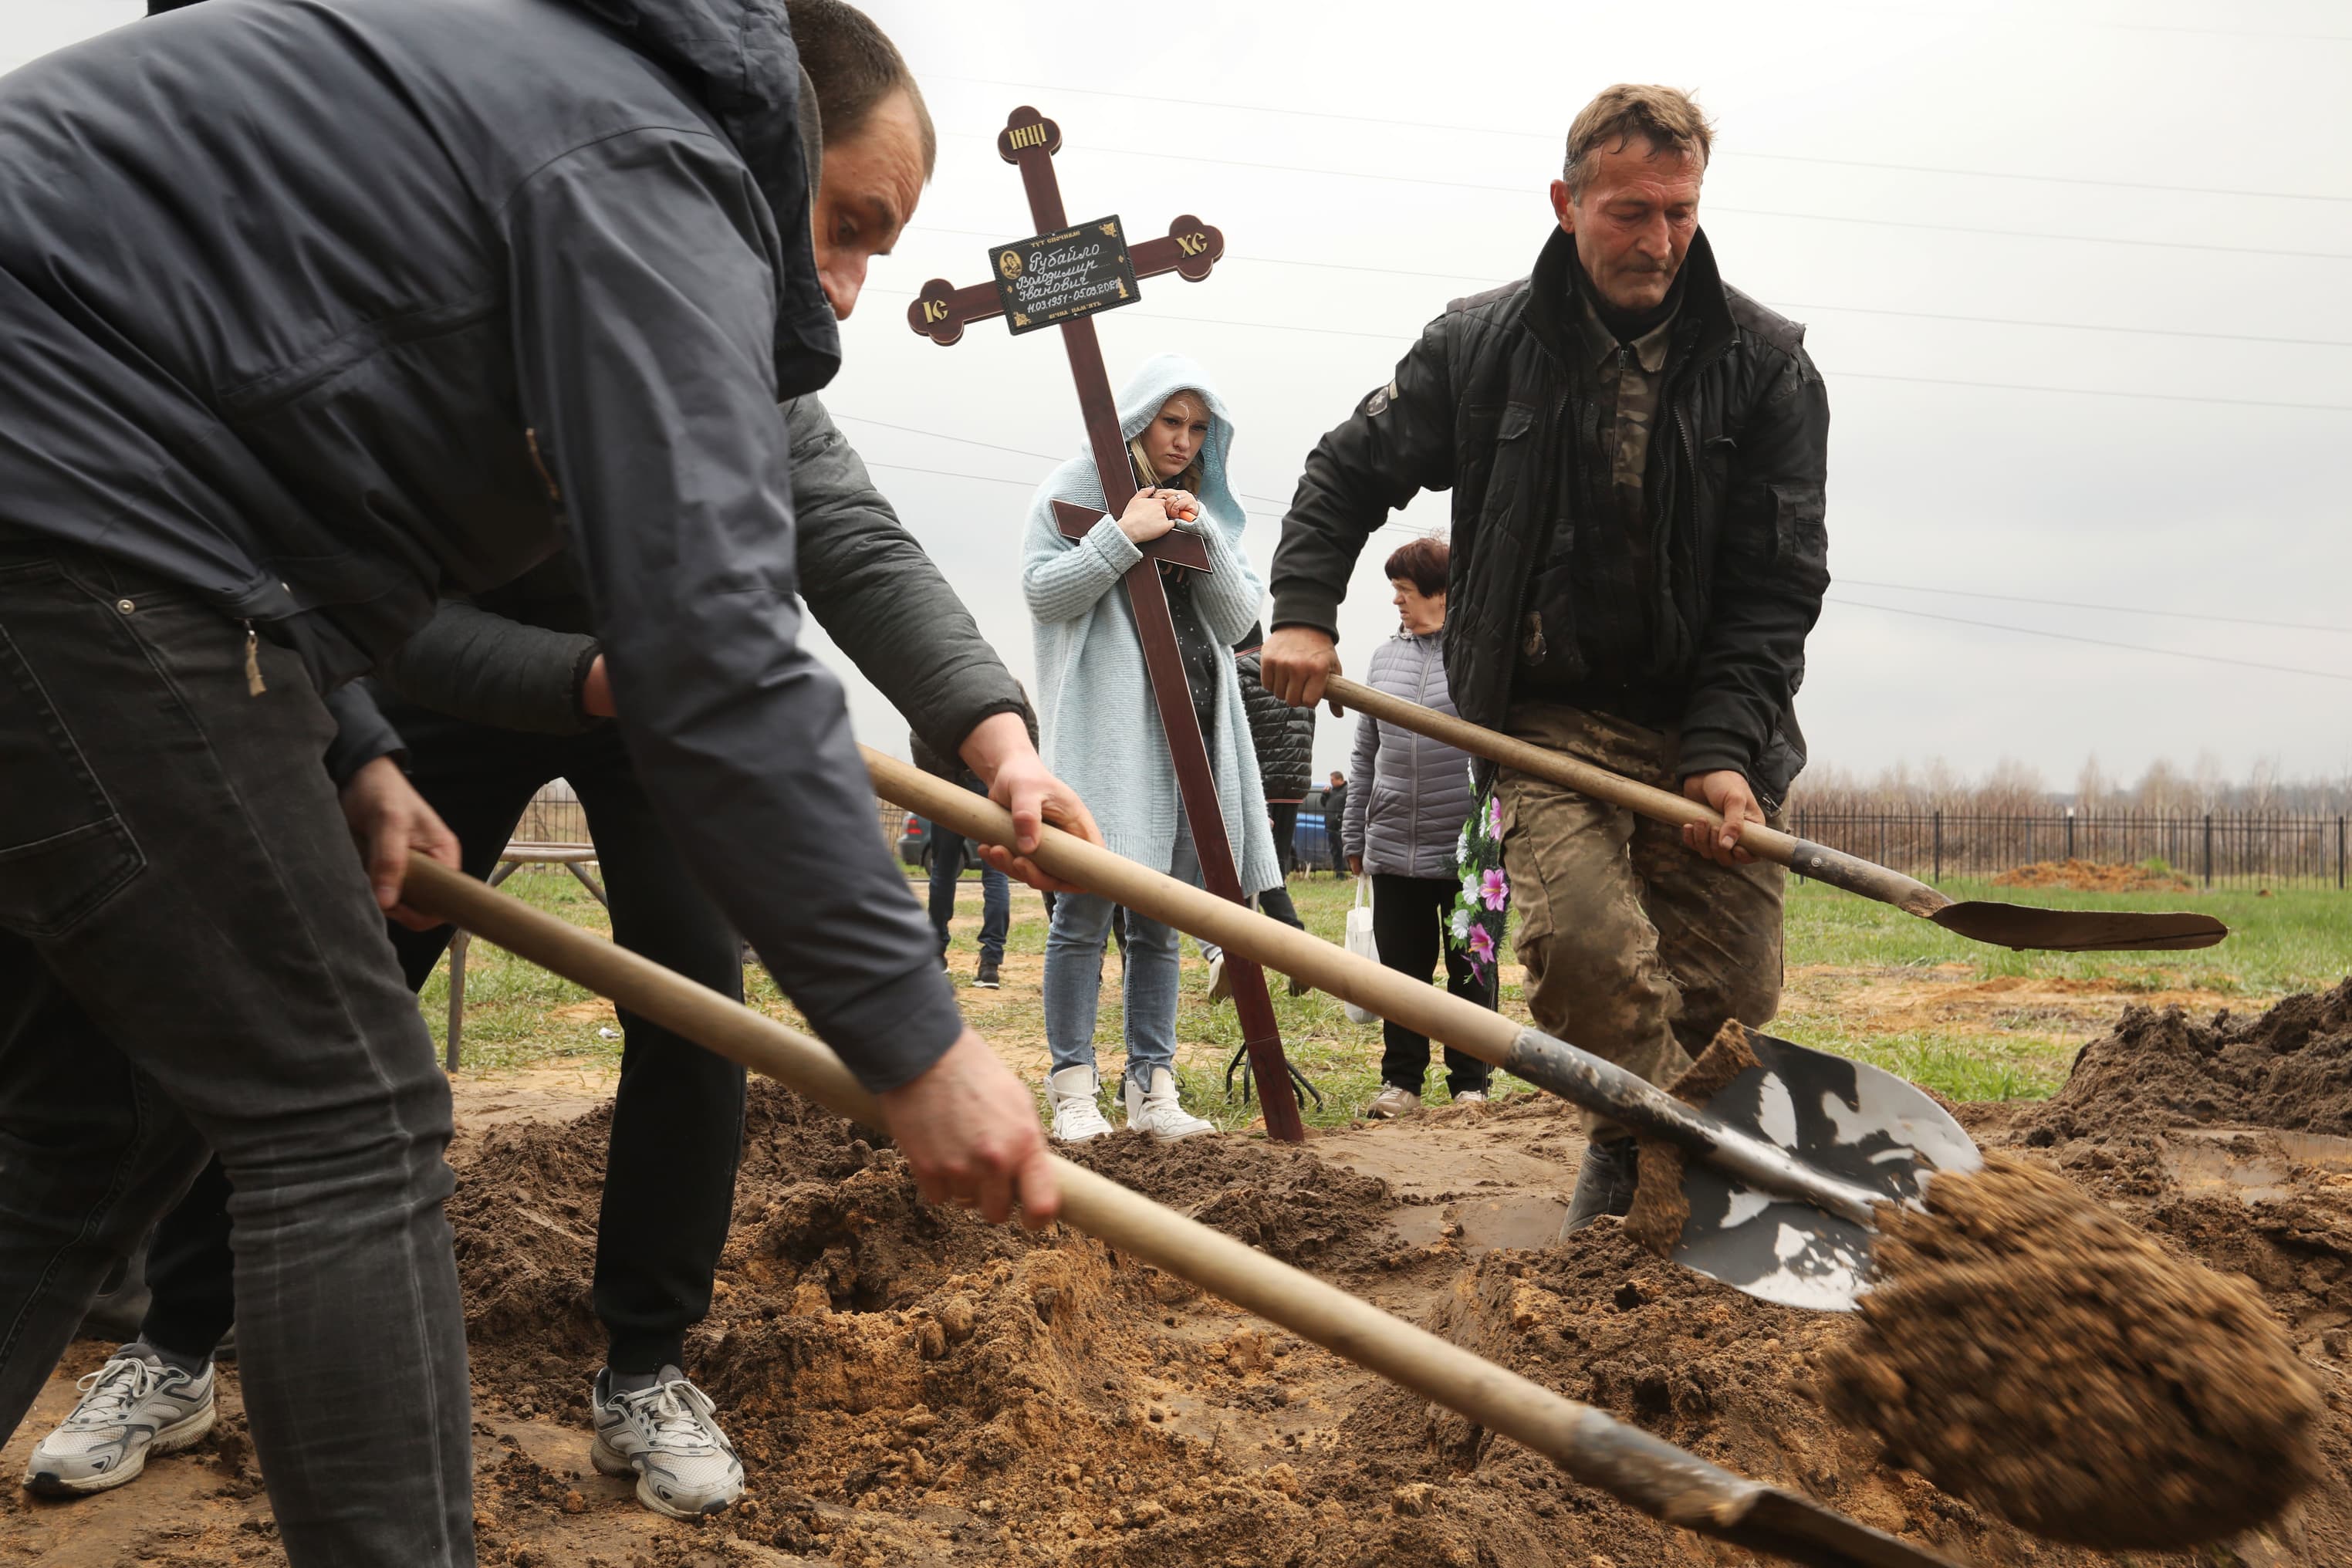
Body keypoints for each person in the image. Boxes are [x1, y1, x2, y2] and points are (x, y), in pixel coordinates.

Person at [0, 2, 1075, 1560]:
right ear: (777, 137)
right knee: (351, 1113)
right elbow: (718, 636)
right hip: (78, 517)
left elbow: (269, 456)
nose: (838, 298)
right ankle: (189, 1353)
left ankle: (643, 1363)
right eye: (845, 227)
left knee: (85, 1125)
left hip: (126, 529)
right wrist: (917, 1038)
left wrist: (352, 742)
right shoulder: (648, 164)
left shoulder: (537, 116)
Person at [1261, 84, 1830, 1231]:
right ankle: (1671, 1168)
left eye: (1680, 212)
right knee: (1584, 950)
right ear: (1567, 202)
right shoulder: (1483, 346)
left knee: (1730, 988)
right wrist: (1304, 612)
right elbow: (1344, 470)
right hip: (1547, 709)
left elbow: (1778, 587)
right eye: (1630, 212)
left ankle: (1641, 1152)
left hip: (1709, 716)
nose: (1659, 241)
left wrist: (1722, 754)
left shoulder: (1767, 366)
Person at [1025, 356, 1281, 1143]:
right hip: (1109, 736)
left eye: (1198, 428)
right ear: (1137, 417)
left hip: (1190, 733)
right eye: (1171, 421)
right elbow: (1044, 590)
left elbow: (1240, 621)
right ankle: (1073, 1088)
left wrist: (1193, 524)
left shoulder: (1200, 502)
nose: (1183, 439)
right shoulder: (1071, 488)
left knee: (1161, 920)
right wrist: (1121, 535)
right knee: (1083, 913)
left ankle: (1153, 1088)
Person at [1345, 539, 1493, 1117]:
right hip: (1393, 846)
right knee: (1401, 973)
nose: (1397, 602)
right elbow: (1364, 752)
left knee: (1469, 969)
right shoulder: (1384, 659)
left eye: (1406, 591)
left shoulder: (1478, 657)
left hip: (1464, 846)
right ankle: (1401, 1084)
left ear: (1442, 594)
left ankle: (1469, 1085)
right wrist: (1356, 834)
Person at [1201, 624, 1310, 1004]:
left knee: (1257, 876)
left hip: (1258, 783)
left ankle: (1292, 949)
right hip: (1294, 785)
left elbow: (1233, 733)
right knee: (1272, 872)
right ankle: (1289, 951)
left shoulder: (1238, 669)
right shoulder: (1288, 668)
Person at [912, 721, 1015, 990]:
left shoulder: (937, 687)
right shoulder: (1007, 686)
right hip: (989, 783)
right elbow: (1029, 730)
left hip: (950, 787)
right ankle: (990, 963)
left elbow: (919, 734)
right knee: (996, 874)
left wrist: (936, 779)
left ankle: (936, 955)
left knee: (944, 872)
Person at [1324, 771, 1350, 876]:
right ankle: (1339, 873)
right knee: (1335, 852)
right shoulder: (1331, 791)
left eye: (1332, 780)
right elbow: (1324, 804)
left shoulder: (1347, 790)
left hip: (1341, 826)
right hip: (1331, 827)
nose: (1331, 782)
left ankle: (1353, 872)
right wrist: (1325, 795)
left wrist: (1340, 818)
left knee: (1344, 851)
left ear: (1340, 779)